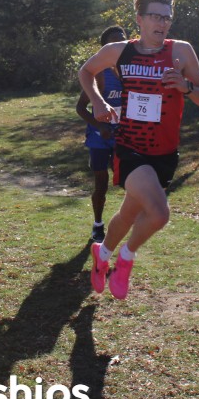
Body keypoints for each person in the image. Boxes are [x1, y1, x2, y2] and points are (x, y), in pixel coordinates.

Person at [78, 0, 199, 300]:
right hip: (130, 147)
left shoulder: (181, 52)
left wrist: (186, 86)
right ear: (139, 18)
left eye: (167, 17)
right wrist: (97, 101)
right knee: (159, 214)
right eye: (155, 16)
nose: (162, 23)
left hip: (165, 152)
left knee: (128, 214)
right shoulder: (119, 51)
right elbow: (86, 71)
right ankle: (125, 259)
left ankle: (102, 253)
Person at [75, 25, 126, 244]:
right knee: (101, 184)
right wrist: (100, 125)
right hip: (100, 138)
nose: (119, 45)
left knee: (129, 181)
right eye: (114, 42)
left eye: (122, 40)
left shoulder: (129, 73)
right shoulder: (98, 75)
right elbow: (80, 108)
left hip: (123, 135)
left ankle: (124, 223)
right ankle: (98, 225)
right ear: (105, 48)